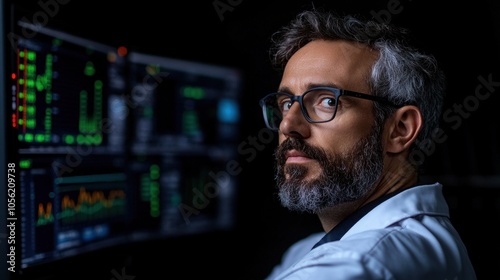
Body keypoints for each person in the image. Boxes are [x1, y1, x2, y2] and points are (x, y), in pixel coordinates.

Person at [259, 9, 477, 280]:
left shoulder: (362, 262)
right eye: (287, 103)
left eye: (327, 101)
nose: (287, 125)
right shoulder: (309, 250)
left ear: (400, 129)